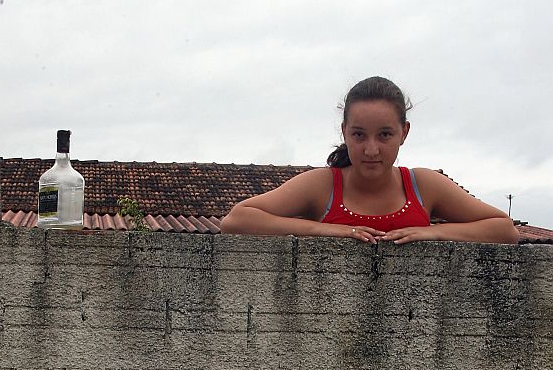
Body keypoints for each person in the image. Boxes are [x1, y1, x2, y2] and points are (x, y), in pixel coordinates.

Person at [220, 76, 519, 244]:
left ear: (404, 132)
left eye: (385, 135)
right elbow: (237, 220)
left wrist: (433, 232)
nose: (371, 149)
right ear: (344, 132)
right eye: (359, 135)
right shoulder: (324, 186)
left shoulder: (422, 185)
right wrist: (331, 229)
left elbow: (504, 229)